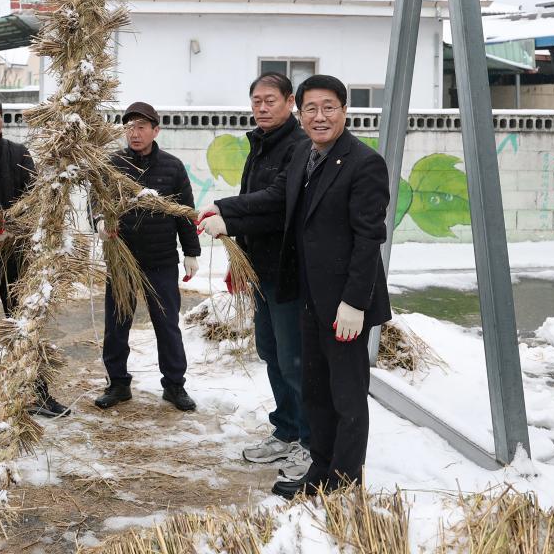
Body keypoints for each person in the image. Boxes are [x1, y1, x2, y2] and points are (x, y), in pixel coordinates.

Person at [198, 74, 391, 499]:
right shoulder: (308, 158)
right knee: (318, 394)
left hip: (344, 305)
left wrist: (355, 302)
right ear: (301, 114)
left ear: (344, 111)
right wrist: (226, 214)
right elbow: (273, 200)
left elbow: (369, 238)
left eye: (329, 108)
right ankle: (318, 472)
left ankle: (343, 482)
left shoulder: (363, 162)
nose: (319, 117)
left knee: (347, 397)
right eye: (312, 110)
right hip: (307, 296)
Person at [221, 73, 312, 480]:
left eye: (270, 100)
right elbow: (250, 202)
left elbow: (277, 200)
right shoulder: (259, 144)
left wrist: (223, 210)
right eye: (255, 100)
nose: (261, 107)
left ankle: (309, 442)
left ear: (290, 101)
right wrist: (237, 256)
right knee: (271, 353)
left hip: (289, 270)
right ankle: (287, 430)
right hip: (259, 268)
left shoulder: (299, 145)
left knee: (294, 360)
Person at [0, 94, 70, 417]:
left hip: (17, 255)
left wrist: (19, 227)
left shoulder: (20, 154)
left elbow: (35, 200)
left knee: (24, 321)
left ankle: (37, 389)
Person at [93, 102, 201, 412]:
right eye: (129, 127)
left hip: (161, 260)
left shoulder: (172, 167)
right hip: (122, 259)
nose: (134, 133)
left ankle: (174, 385)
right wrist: (99, 220)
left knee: (167, 324)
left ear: (156, 130)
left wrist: (191, 251)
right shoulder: (111, 165)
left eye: (141, 127)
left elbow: (184, 212)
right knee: (117, 323)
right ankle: (117, 383)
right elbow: (97, 202)